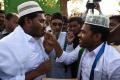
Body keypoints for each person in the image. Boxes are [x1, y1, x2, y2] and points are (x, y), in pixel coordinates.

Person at [44, 14, 120, 80]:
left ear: (97, 37)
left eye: (83, 32)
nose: (79, 35)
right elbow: (67, 59)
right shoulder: (82, 48)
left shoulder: (114, 62)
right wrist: (55, 43)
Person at [0, 1, 51, 80]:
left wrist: (47, 52)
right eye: (41, 21)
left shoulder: (38, 38)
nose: (45, 26)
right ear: (28, 21)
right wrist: (38, 71)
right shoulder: (5, 45)